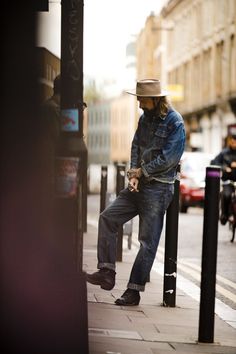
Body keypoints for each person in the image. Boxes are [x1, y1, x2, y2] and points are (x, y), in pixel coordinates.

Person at [86, 79, 185, 306]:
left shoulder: (174, 122)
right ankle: (106, 272)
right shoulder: (144, 119)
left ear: (155, 99)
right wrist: (133, 174)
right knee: (108, 218)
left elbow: (169, 159)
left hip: (158, 187)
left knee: (147, 242)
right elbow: (135, 146)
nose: (139, 102)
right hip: (138, 184)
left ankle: (134, 291)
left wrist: (142, 172)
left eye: (142, 98)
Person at [211, 127, 236, 225]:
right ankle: (224, 214)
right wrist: (224, 167)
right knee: (226, 195)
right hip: (228, 181)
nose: (234, 144)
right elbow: (214, 162)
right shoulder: (224, 153)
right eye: (232, 142)